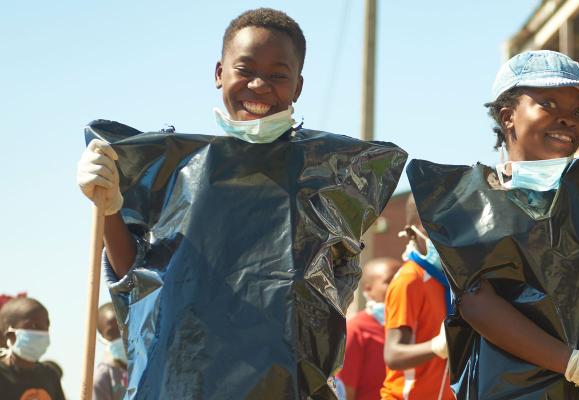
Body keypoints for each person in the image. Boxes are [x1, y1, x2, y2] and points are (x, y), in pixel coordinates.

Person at [76, 7, 405, 399]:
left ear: (297, 86)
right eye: (245, 69)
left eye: (277, 75)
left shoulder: (331, 178)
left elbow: (330, 301)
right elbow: (137, 279)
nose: (259, 85)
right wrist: (111, 207)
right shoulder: (169, 173)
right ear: (219, 73)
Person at [410, 50, 579, 399]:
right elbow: (477, 304)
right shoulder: (468, 200)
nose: (568, 119)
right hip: (513, 390)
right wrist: (578, 366)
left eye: (578, 112)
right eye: (549, 104)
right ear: (508, 116)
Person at [381, 196, 453, 400]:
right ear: (411, 232)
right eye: (431, 226)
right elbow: (393, 355)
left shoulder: (447, 281)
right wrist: (436, 347)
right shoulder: (410, 280)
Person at [338, 257, 402, 400]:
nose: (399, 287)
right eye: (390, 281)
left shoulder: (410, 329)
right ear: (368, 289)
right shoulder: (356, 329)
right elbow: (344, 393)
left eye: (402, 280)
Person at [0, 297, 66, 400]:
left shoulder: (50, 376)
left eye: (46, 326)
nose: (43, 333)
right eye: (35, 326)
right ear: (10, 335)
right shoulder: (3, 376)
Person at [93, 302, 128, 400]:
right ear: (103, 338)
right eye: (112, 332)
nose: (121, 336)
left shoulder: (148, 364)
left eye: (124, 328)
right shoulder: (103, 377)